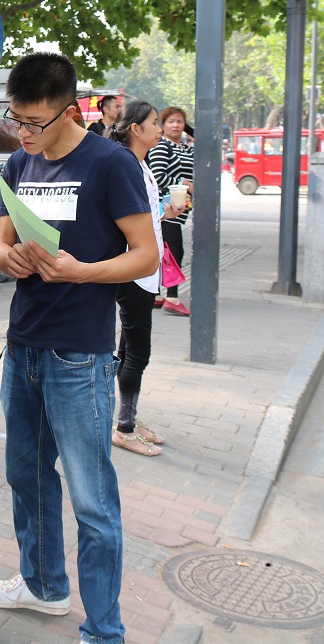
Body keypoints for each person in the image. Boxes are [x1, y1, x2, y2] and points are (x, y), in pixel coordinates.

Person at [0, 53, 156, 644]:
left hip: (79, 357)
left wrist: (83, 271)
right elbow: (0, 247)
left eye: (35, 123)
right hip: (22, 346)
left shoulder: (111, 163)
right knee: (26, 477)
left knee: (93, 502)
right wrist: (12, 259)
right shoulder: (20, 162)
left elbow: (146, 255)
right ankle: (43, 585)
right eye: (16, 120)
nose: (23, 134)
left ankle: (104, 630)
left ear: (69, 111)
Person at [107, 101, 185, 457]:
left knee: (130, 350)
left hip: (145, 269)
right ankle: (123, 427)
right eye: (154, 122)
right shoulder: (127, 167)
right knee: (138, 352)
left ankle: (128, 418)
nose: (160, 128)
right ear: (135, 129)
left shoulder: (141, 166)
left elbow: (143, 215)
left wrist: (166, 210)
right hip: (135, 270)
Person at [146, 105, 194, 316]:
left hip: (179, 207)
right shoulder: (161, 146)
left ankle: (157, 294)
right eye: (170, 121)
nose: (176, 125)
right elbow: (157, 176)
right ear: (162, 125)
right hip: (164, 206)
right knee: (174, 250)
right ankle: (172, 296)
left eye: (180, 122)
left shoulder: (185, 148)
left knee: (164, 249)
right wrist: (184, 183)